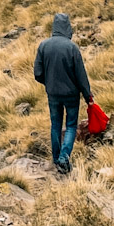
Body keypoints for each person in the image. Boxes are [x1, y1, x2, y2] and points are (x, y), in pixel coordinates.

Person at [33, 12, 93, 174]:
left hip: (53, 94)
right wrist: (88, 96)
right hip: (71, 94)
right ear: (67, 27)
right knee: (71, 125)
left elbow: (37, 73)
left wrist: (49, 83)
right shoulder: (72, 47)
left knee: (56, 125)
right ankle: (64, 157)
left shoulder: (43, 46)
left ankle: (56, 158)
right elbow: (81, 75)